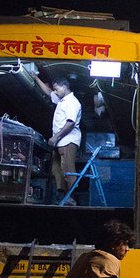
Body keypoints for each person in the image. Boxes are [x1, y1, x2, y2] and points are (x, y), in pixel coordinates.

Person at [35, 73, 82, 205]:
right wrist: (36, 77)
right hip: (60, 142)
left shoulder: (72, 102)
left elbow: (71, 122)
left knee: (67, 168)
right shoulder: (62, 100)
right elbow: (49, 92)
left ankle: (71, 199)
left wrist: (55, 136)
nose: (55, 91)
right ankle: (63, 196)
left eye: (57, 89)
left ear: (64, 87)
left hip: (68, 141)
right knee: (56, 169)